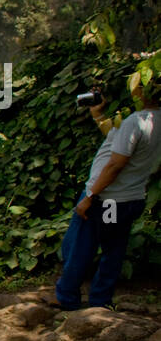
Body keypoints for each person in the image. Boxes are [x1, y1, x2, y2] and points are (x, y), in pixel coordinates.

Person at [55, 75, 161, 310]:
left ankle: (67, 298)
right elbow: (121, 143)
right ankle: (100, 301)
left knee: (80, 246)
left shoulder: (136, 121)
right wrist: (99, 115)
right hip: (131, 198)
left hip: (108, 199)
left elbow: (115, 164)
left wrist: (90, 197)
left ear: (143, 90)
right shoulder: (152, 121)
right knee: (113, 248)